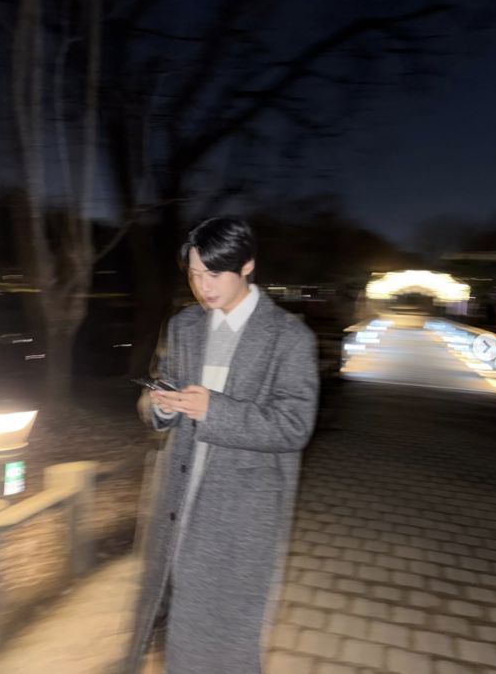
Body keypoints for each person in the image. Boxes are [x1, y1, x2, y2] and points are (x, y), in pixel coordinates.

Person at [123, 216, 319, 674]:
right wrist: (161, 406)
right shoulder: (185, 326)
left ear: (247, 265)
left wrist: (215, 410)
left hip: (239, 519)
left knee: (220, 643)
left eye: (213, 274)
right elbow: (158, 392)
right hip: (178, 507)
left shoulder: (289, 338)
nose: (202, 287)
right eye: (194, 275)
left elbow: (294, 425)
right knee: (167, 625)